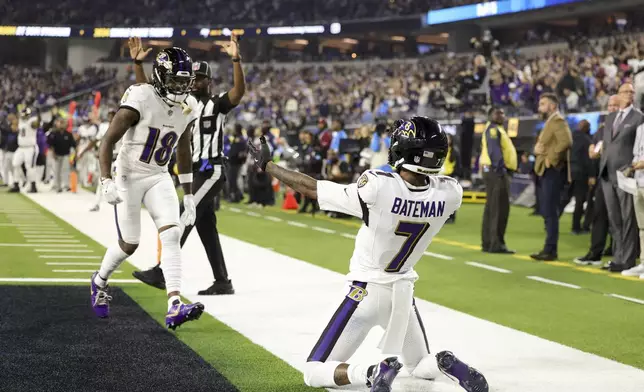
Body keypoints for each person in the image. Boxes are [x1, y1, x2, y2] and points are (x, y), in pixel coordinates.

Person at [248, 116, 488, 392]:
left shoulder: (377, 187)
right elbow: (416, 182)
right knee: (420, 365)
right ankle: (443, 362)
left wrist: (269, 165)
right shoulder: (449, 194)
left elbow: (311, 188)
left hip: (364, 292)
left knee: (313, 372)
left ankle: (372, 372)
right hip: (402, 294)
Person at [90, 46, 204, 330]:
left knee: (172, 233)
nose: (180, 87)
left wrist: (188, 194)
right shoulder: (140, 96)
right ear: (160, 76)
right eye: (175, 80)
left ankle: (175, 304)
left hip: (158, 175)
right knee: (129, 244)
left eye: (184, 81)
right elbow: (107, 141)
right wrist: (106, 180)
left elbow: (183, 149)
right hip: (129, 174)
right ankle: (99, 281)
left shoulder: (189, 105)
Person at [131, 35, 245, 295]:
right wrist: (138, 66)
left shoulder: (216, 104)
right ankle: (222, 281)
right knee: (206, 228)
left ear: (209, 81)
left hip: (212, 169)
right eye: (192, 79)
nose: (195, 83)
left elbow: (239, 93)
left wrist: (236, 59)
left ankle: (162, 270)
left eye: (200, 79)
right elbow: (150, 98)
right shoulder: (185, 103)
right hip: (194, 172)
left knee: (183, 214)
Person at [598, 83, 643, 272]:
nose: (630, 95)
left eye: (632, 92)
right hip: (607, 174)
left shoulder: (639, 117)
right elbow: (607, 145)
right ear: (618, 94)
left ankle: (628, 259)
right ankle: (617, 257)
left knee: (628, 219)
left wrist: (630, 169)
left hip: (625, 174)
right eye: (626, 92)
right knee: (614, 218)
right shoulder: (611, 118)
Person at [574, 95, 618, 265]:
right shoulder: (603, 127)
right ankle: (595, 253)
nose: (612, 108)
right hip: (604, 177)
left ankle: (619, 255)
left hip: (621, 178)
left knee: (618, 219)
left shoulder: (629, 124)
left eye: (616, 105)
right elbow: (594, 146)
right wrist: (593, 149)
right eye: (610, 105)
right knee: (598, 215)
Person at [531, 93, 572, 261]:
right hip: (545, 171)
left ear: (552, 106)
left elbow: (566, 142)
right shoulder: (550, 122)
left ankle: (550, 249)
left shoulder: (558, 121)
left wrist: (550, 159)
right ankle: (548, 248)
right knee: (547, 211)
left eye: (543, 104)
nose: (539, 107)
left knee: (550, 212)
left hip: (552, 172)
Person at [480, 107, 517, 253]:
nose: (501, 115)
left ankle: (488, 242)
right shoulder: (494, 130)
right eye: (498, 113)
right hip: (497, 173)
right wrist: (501, 170)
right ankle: (496, 243)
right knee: (499, 209)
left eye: (503, 113)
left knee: (492, 207)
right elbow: (494, 151)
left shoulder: (496, 129)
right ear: (490, 115)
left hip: (493, 172)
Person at [559, 119, 593, 234]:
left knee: (565, 198)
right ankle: (576, 227)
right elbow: (589, 160)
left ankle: (552, 221)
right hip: (581, 174)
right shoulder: (587, 141)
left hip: (569, 172)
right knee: (579, 200)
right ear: (588, 128)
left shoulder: (571, 138)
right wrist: (591, 175)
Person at [9, 107, 40, 193]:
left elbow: (35, 124)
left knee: (29, 167)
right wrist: (13, 122)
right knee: (15, 164)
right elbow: (14, 128)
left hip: (30, 148)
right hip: (21, 148)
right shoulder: (20, 121)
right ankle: (16, 184)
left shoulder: (32, 120)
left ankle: (33, 186)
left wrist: (39, 117)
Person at [46, 118, 76, 192]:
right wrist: (53, 154)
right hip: (57, 154)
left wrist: (73, 155)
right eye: (60, 123)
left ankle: (66, 185)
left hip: (66, 154)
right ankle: (57, 186)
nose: (62, 125)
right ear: (57, 124)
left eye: (63, 123)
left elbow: (73, 145)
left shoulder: (68, 134)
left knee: (65, 170)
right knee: (56, 171)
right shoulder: (54, 133)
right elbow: (51, 145)